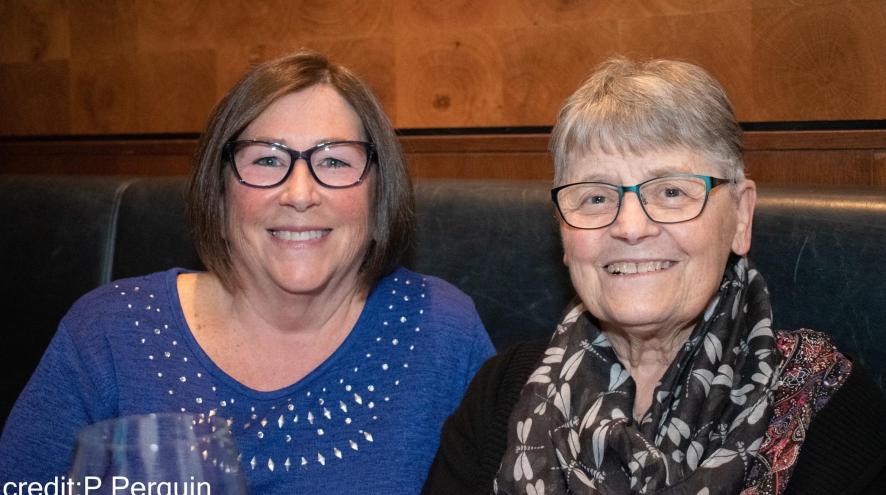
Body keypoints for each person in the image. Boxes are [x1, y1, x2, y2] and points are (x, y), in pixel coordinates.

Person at [0, 51, 495, 494]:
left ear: (377, 192)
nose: (300, 194)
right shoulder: (107, 332)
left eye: (334, 161)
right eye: (266, 159)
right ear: (219, 189)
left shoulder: (441, 331)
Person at [423, 57, 886, 495]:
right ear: (563, 231)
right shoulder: (498, 395)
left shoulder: (828, 408)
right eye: (596, 197)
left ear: (741, 218)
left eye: (670, 191)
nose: (630, 227)